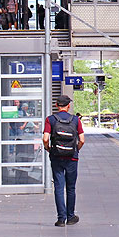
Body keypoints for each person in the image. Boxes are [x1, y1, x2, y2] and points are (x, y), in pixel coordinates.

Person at [43, 95, 85, 227]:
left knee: (59, 187)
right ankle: (71, 216)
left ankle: (61, 219)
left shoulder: (50, 119)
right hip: (72, 158)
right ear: (68, 106)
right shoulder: (76, 120)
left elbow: (45, 138)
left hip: (56, 157)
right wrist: (76, 149)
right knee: (71, 188)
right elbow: (82, 140)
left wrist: (48, 148)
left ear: (56, 105)